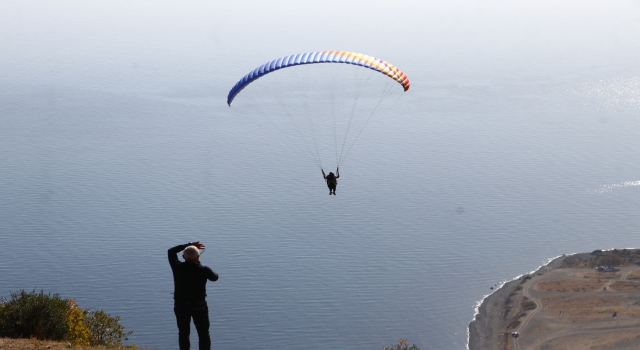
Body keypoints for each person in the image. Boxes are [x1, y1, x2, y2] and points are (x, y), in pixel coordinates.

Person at [168, 241, 218, 350]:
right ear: (198, 256)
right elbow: (215, 277)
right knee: (203, 333)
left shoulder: (177, 267)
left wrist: (189, 244)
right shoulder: (204, 270)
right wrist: (199, 264)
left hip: (181, 306)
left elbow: (171, 251)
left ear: (183, 256)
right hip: (199, 307)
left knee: (183, 333)